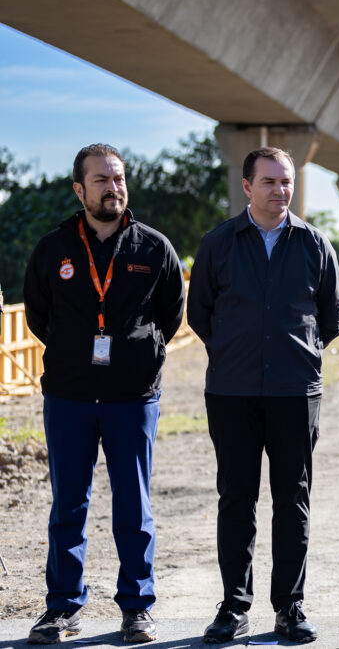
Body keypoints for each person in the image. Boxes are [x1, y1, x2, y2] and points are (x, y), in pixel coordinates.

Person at [22, 144, 185, 644]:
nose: (113, 188)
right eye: (101, 180)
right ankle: (62, 607)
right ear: (79, 189)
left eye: (118, 179)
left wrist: (139, 354)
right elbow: (38, 315)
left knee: (134, 507)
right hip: (69, 397)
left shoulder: (153, 248)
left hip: (132, 398)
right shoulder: (53, 249)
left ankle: (137, 607)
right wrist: (74, 352)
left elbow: (171, 315)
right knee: (68, 507)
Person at [187, 147, 339, 644]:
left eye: (287, 181)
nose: (281, 190)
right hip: (232, 392)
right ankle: (234, 607)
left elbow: (331, 318)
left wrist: (297, 355)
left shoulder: (315, 244)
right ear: (247, 187)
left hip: (294, 392)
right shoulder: (218, 243)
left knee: (292, 499)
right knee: (236, 498)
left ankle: (289, 607)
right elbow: (200, 313)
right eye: (270, 181)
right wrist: (235, 351)